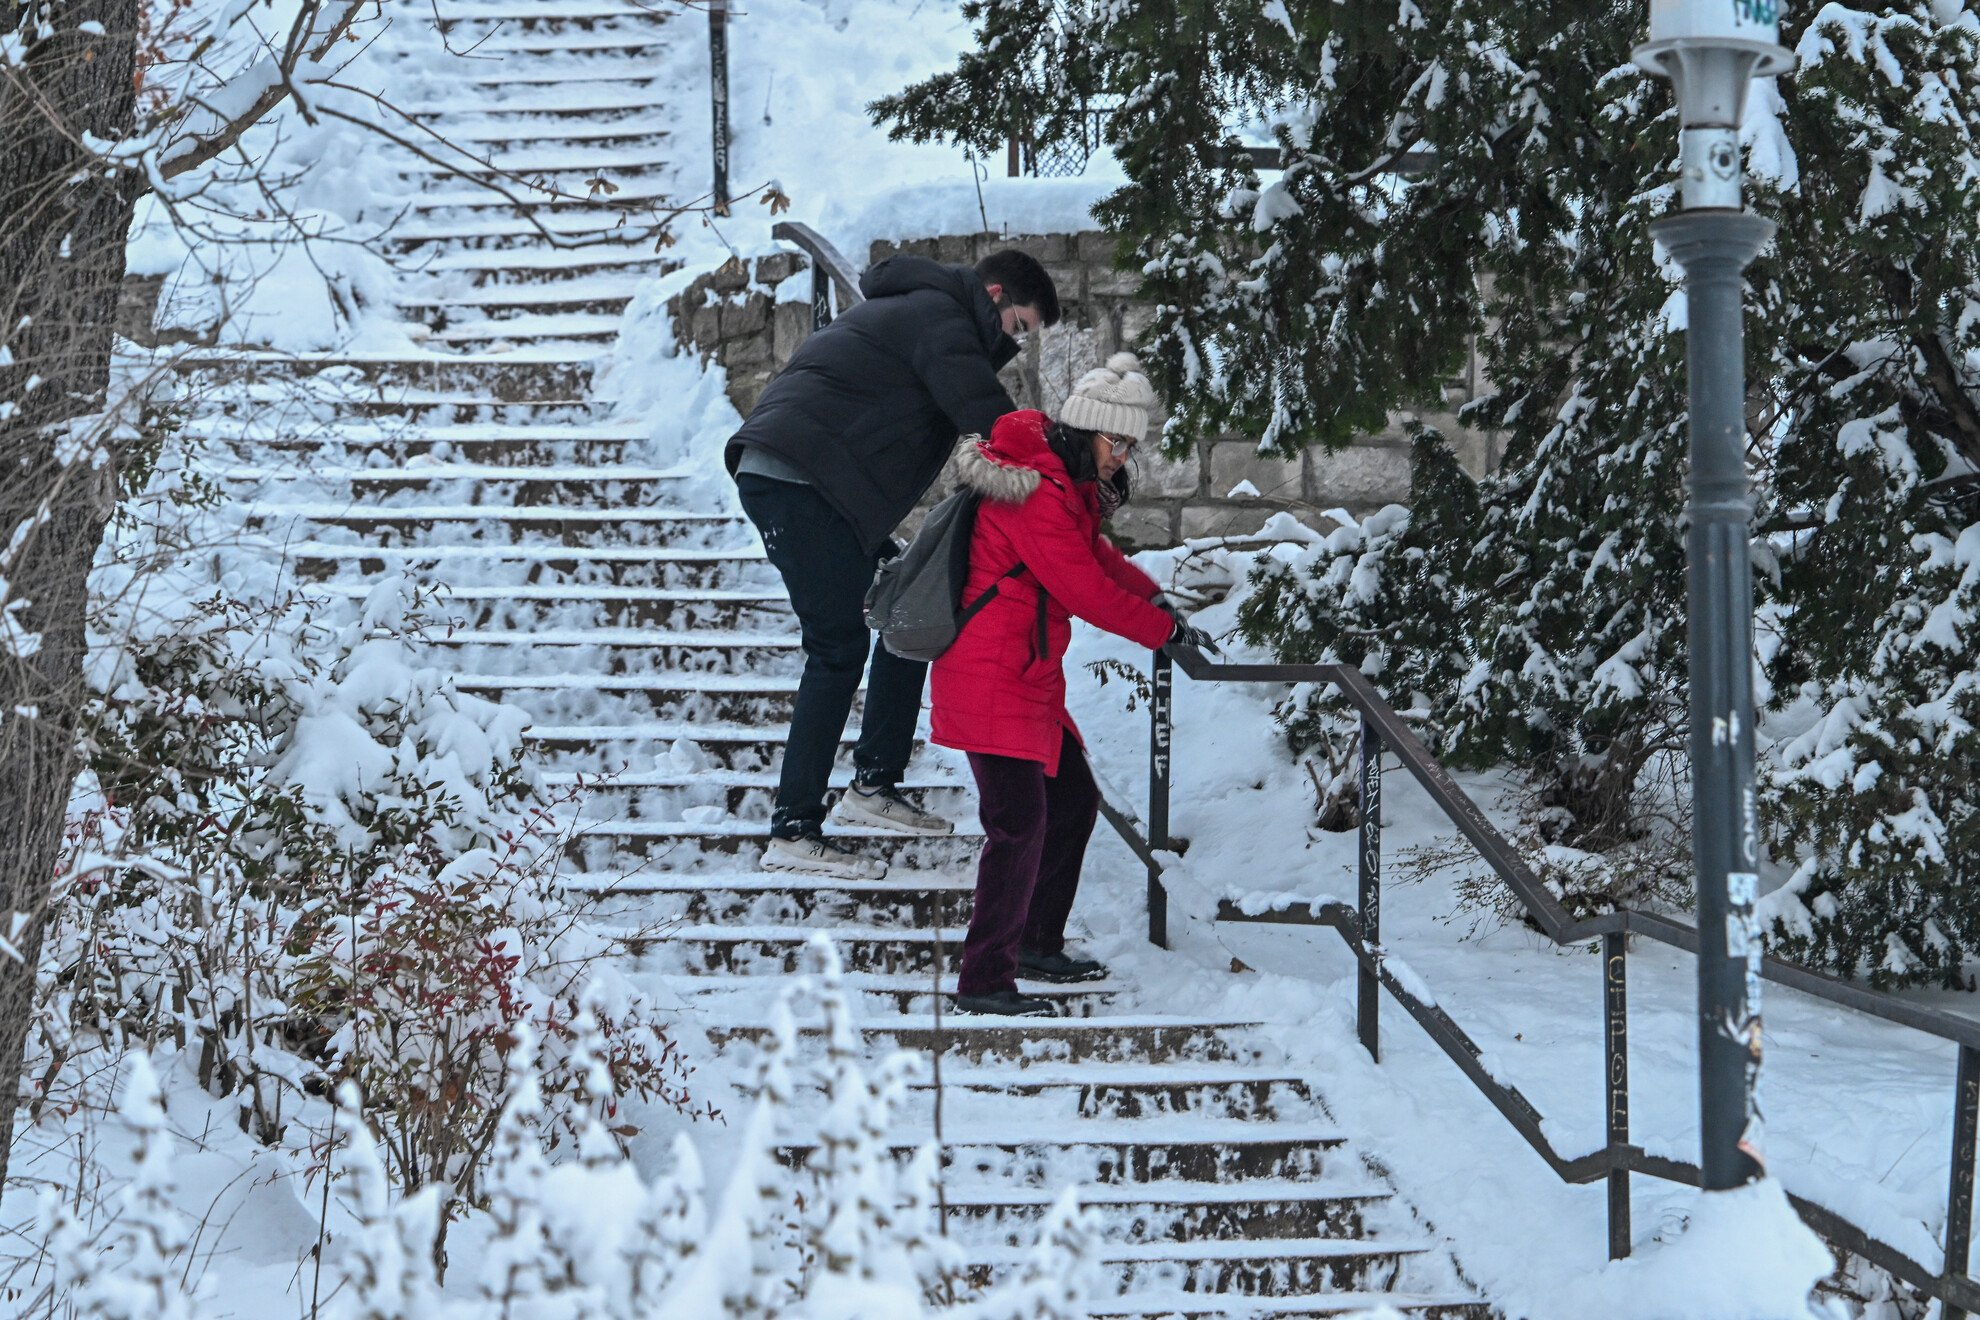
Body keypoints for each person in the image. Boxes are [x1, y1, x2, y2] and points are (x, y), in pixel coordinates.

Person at [727, 249, 1062, 880]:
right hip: (796, 481)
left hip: (817, 485)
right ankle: (794, 827)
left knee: (909, 604)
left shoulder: (920, 310)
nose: (1016, 343)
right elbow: (988, 417)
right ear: (994, 296)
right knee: (836, 649)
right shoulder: (940, 318)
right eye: (1019, 327)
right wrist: (1062, 466)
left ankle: (873, 785)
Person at [929, 354, 1215, 1016]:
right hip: (993, 675)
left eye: (1130, 444)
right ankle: (983, 979)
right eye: (1117, 441)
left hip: (1024, 675)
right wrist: (1157, 631)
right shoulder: (1031, 491)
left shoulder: (1059, 485)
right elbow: (1080, 586)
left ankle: (1034, 941)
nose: (1123, 455)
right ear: (1087, 431)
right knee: (1018, 823)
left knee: (1072, 802)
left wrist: (1158, 602)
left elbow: (1099, 560)